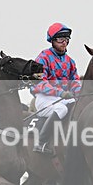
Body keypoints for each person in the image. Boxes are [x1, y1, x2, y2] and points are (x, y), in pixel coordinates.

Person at [30, 23, 81, 154]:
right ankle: (41, 143)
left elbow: (75, 82)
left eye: (67, 39)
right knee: (62, 109)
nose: (64, 42)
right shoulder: (43, 57)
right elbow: (39, 82)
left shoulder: (70, 61)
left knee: (77, 108)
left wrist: (79, 93)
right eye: (60, 39)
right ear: (52, 40)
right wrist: (60, 92)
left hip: (62, 97)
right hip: (44, 99)